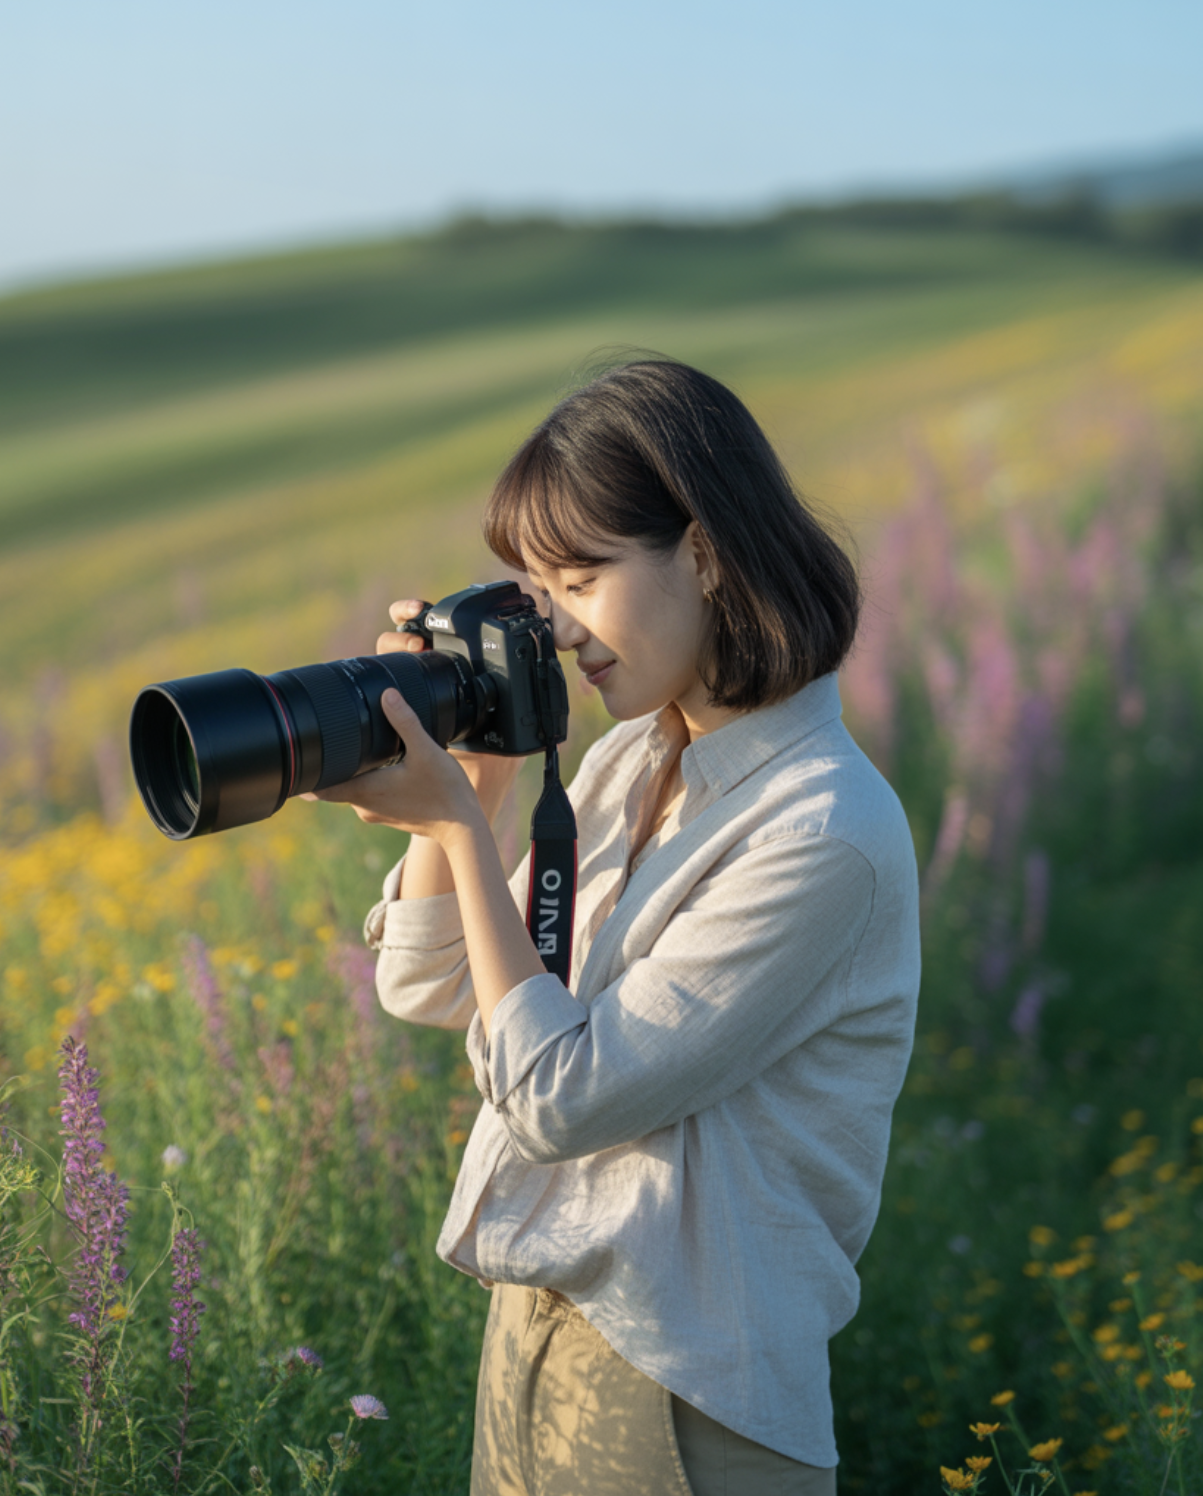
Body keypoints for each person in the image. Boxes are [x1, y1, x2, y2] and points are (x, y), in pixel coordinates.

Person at [308, 358, 920, 1496]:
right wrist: (475, 789)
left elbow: (561, 1094)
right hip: (532, 1342)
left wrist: (450, 818)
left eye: (580, 577)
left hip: (691, 1393)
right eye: (536, 589)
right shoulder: (627, 756)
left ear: (704, 549)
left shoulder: (823, 829)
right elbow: (433, 987)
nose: (559, 627)